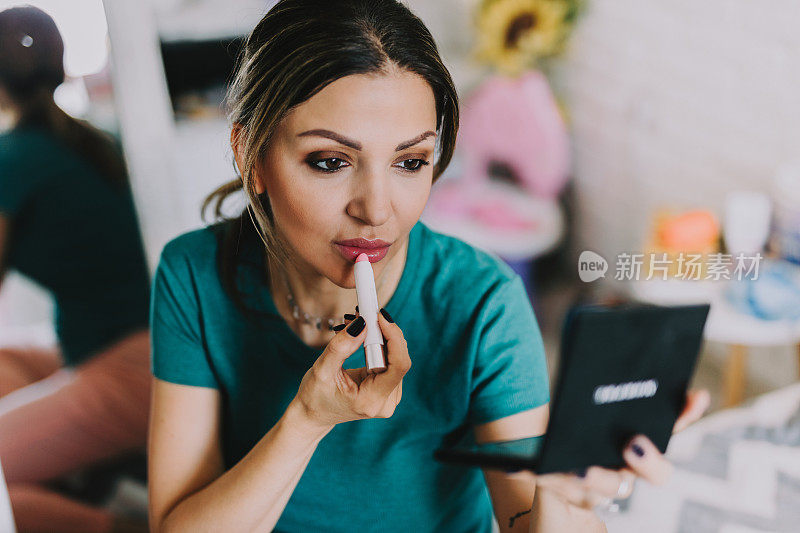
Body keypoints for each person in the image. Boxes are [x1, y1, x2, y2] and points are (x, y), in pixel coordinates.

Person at [147, 1, 710, 531]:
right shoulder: (194, 276)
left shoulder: (482, 302)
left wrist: (560, 494)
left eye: (410, 161)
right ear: (252, 158)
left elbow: (524, 521)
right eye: (330, 161)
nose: (376, 208)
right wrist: (308, 420)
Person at [0, 6, 151, 533]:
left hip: (129, 369)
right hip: (116, 348)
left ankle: (127, 524)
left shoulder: (13, 158)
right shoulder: (92, 139)